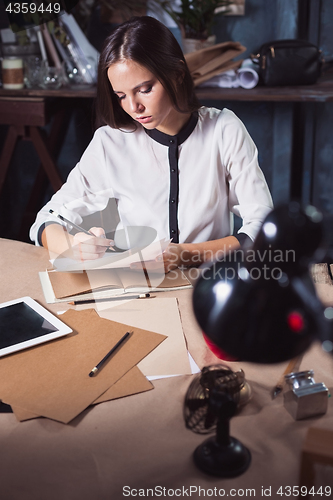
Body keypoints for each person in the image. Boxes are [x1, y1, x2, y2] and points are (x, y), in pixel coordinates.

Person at [30, 16, 273, 272]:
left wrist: (185, 254)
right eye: (121, 96)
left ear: (177, 74)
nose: (134, 107)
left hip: (209, 286)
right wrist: (73, 246)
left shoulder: (224, 130)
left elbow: (262, 227)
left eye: (144, 89)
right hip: (139, 292)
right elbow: (47, 220)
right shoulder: (109, 143)